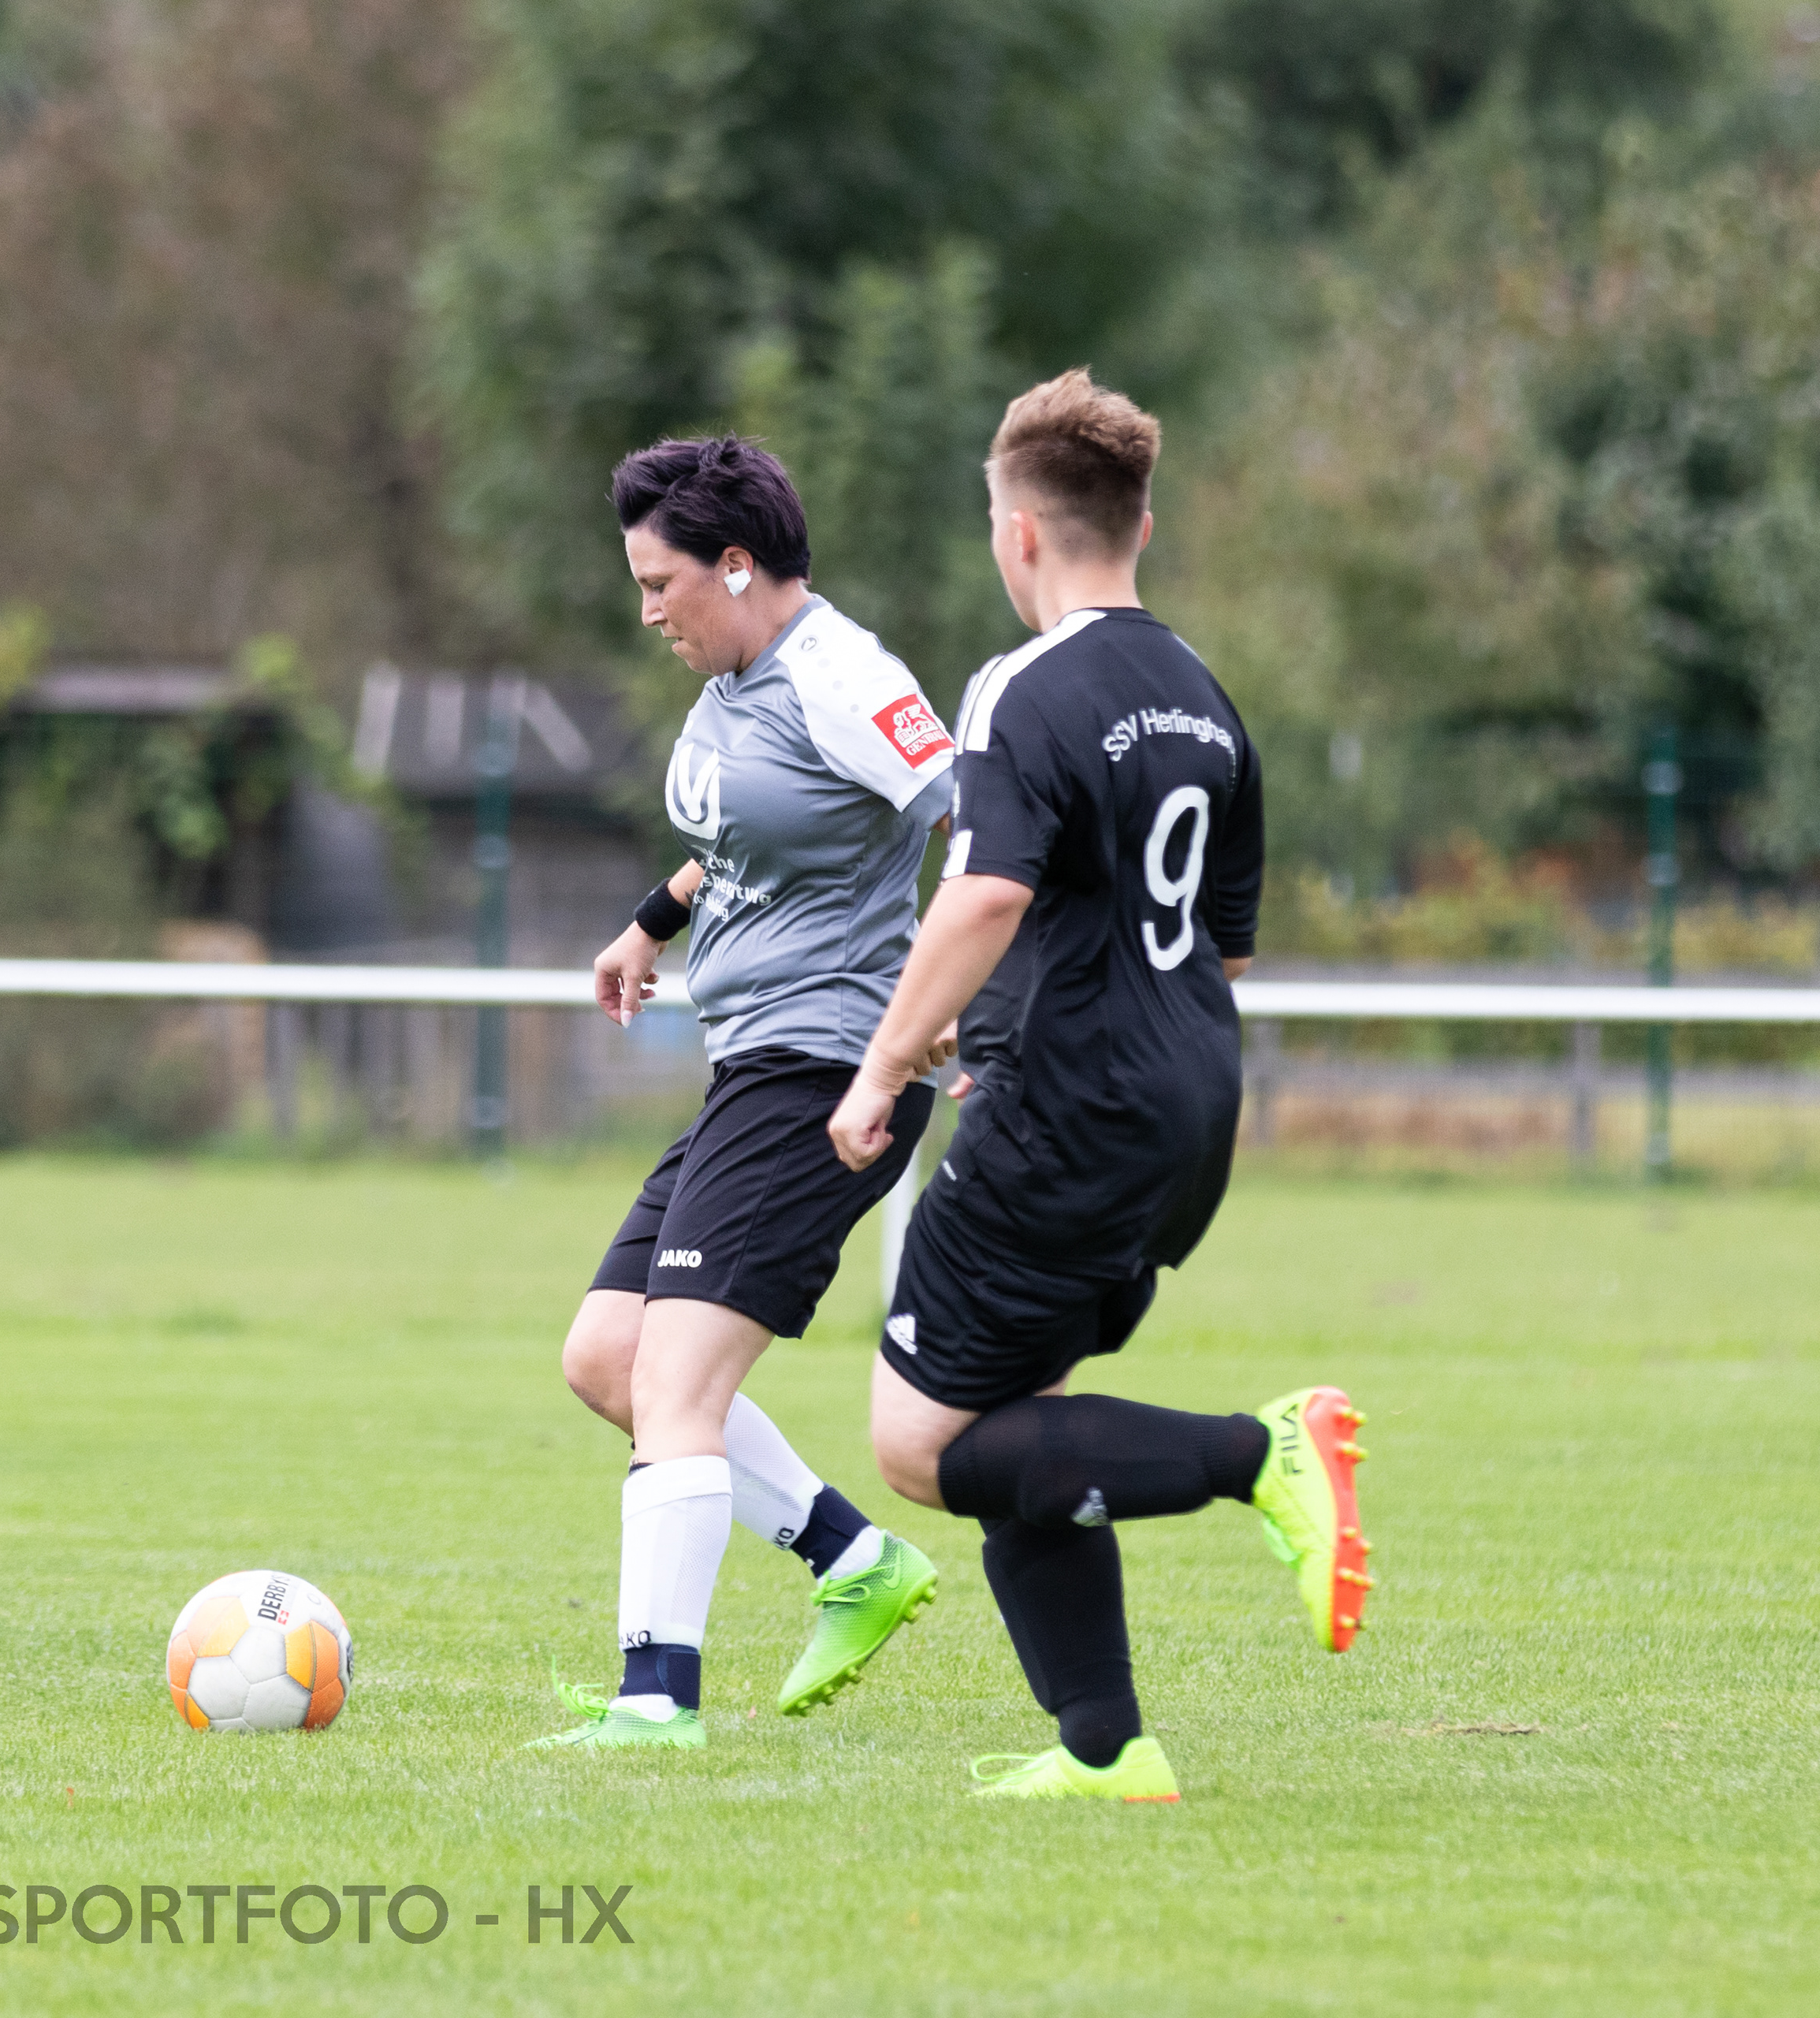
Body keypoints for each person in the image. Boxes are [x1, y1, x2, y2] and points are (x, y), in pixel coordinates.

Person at [828, 370, 1371, 1803]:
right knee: (1023, 1419)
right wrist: (1005, 1022)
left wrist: (886, 1064)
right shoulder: (1204, 698)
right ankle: (1104, 1747)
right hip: (1187, 1101)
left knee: (920, 1446)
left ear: (1018, 532)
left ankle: (1259, 1453)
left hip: (1070, 1111)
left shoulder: (1023, 685)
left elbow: (986, 892)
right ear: (1145, 523)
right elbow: (1215, 947)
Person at [533, 437, 960, 1751]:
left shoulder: (844, 676)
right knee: (608, 1355)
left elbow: (987, 831)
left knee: (672, 1379)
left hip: (827, 1072)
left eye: (659, 584)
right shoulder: (737, 678)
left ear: (734, 565)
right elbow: (746, 834)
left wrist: (953, 1006)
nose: (647, 612)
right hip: (753, 1067)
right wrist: (650, 923)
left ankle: (655, 1700)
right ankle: (854, 1563)